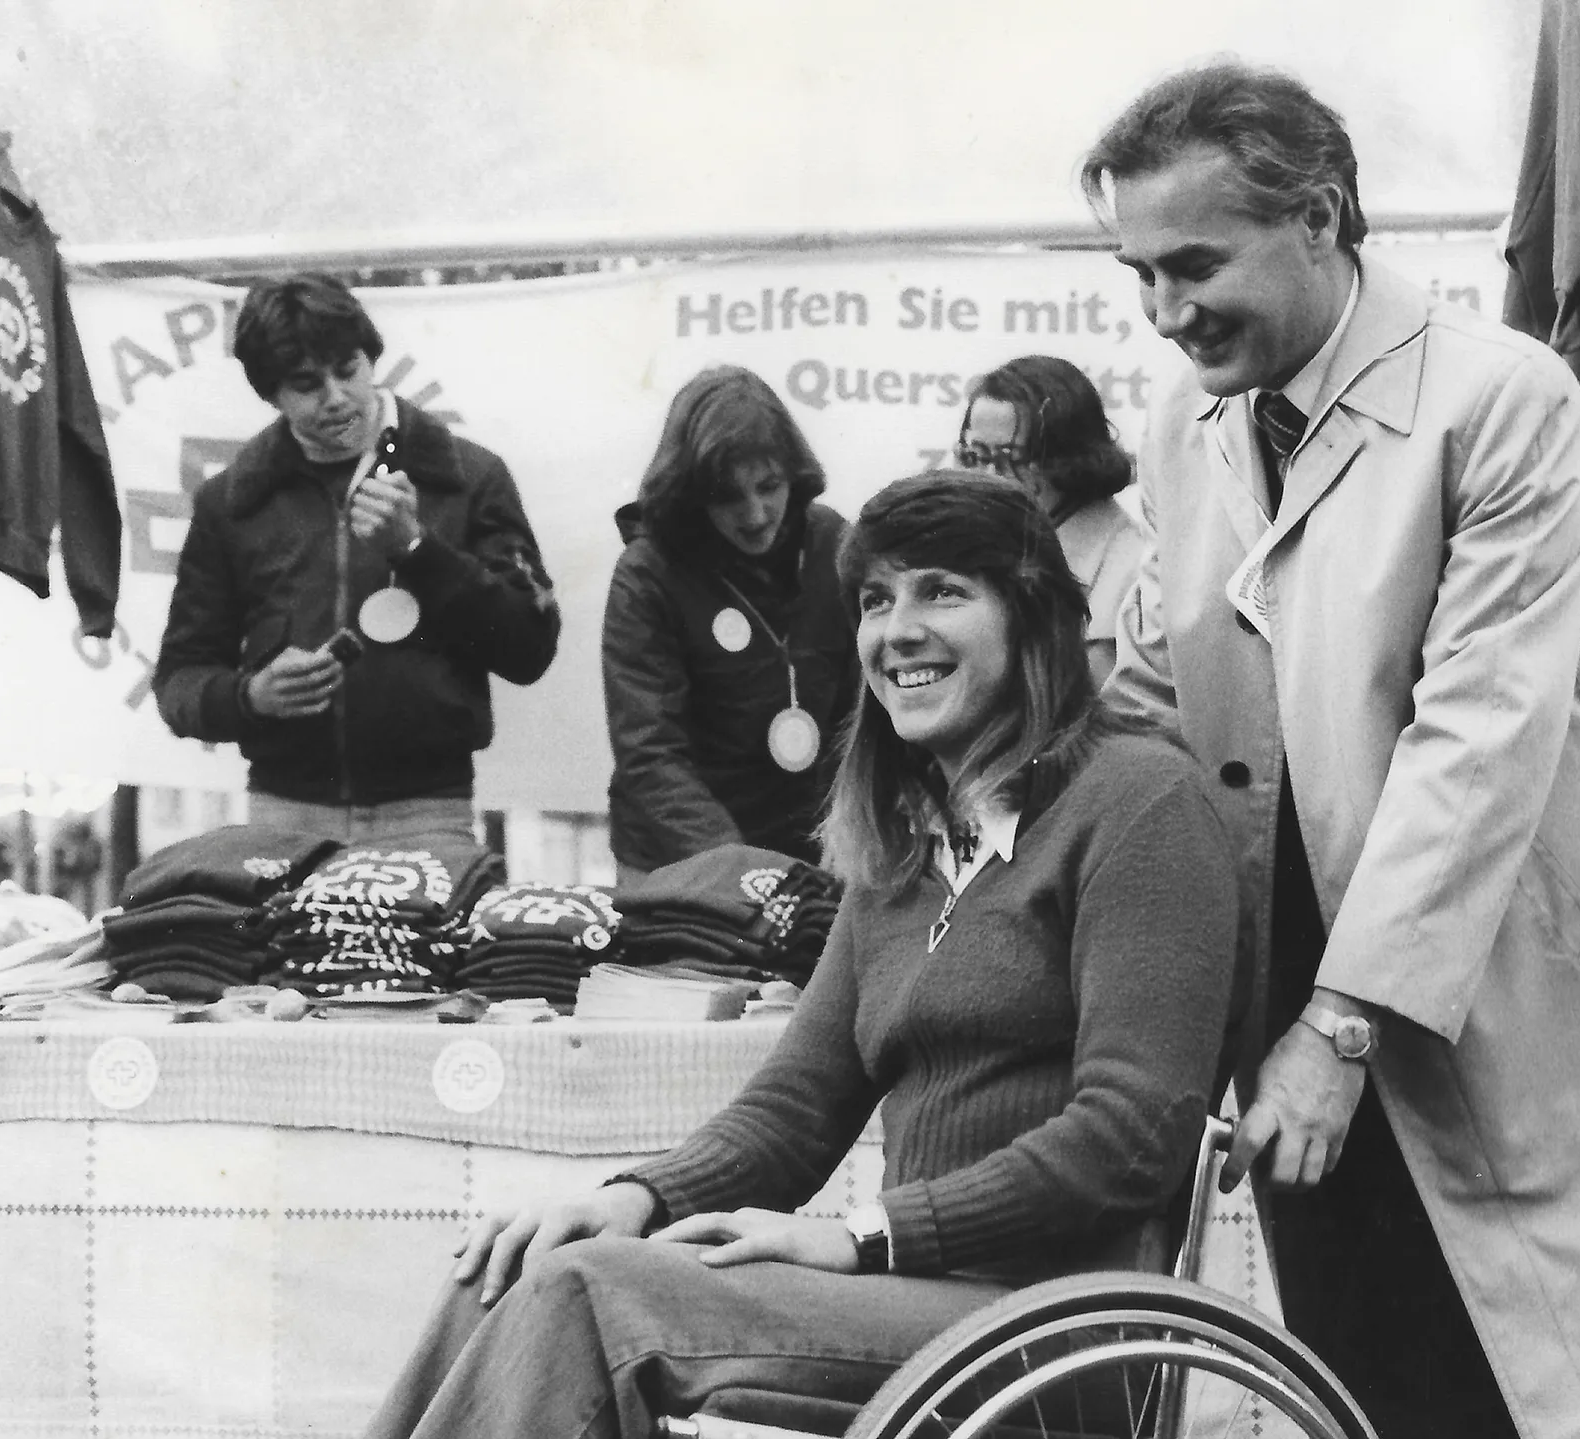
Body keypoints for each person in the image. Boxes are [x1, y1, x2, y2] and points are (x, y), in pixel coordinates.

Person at [365, 472, 1245, 1439]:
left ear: (1033, 616)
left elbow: (1132, 1134)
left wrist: (867, 1236)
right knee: (521, 1263)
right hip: (914, 1296)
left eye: (942, 590)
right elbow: (796, 1107)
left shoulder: (1140, 803)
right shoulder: (904, 842)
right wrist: (632, 1197)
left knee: (591, 1295)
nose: (896, 630)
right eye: (875, 599)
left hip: (1059, 1324)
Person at [1084, 61, 1580, 1439]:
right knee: (1369, 1362)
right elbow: (1150, 690)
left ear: (1319, 218)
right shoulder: (1188, 425)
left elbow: (1474, 740)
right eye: (1139, 276)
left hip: (1515, 974)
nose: (1165, 313)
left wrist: (1342, 1020)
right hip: (1301, 970)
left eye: (1192, 264)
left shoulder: (1502, 400)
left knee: (1560, 1375)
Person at [153, 273, 558, 867]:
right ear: (271, 394)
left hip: (431, 816)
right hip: (282, 818)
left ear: (372, 358)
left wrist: (419, 552)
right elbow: (179, 681)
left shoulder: (469, 477)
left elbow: (530, 649)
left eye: (348, 368)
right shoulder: (232, 502)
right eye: (306, 384)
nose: (336, 397)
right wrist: (249, 696)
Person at [602, 366, 856, 881]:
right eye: (728, 496)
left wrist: (852, 834)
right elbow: (651, 753)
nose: (757, 513)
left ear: (794, 474)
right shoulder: (647, 574)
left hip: (816, 854)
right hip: (679, 862)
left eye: (769, 486)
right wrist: (740, 871)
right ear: (691, 494)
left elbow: (861, 717)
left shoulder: (835, 545)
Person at [955, 355, 1145, 684]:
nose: (987, 479)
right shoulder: (978, 544)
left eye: (1010, 460)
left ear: (1069, 459)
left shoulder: (1132, 572)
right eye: (976, 456)